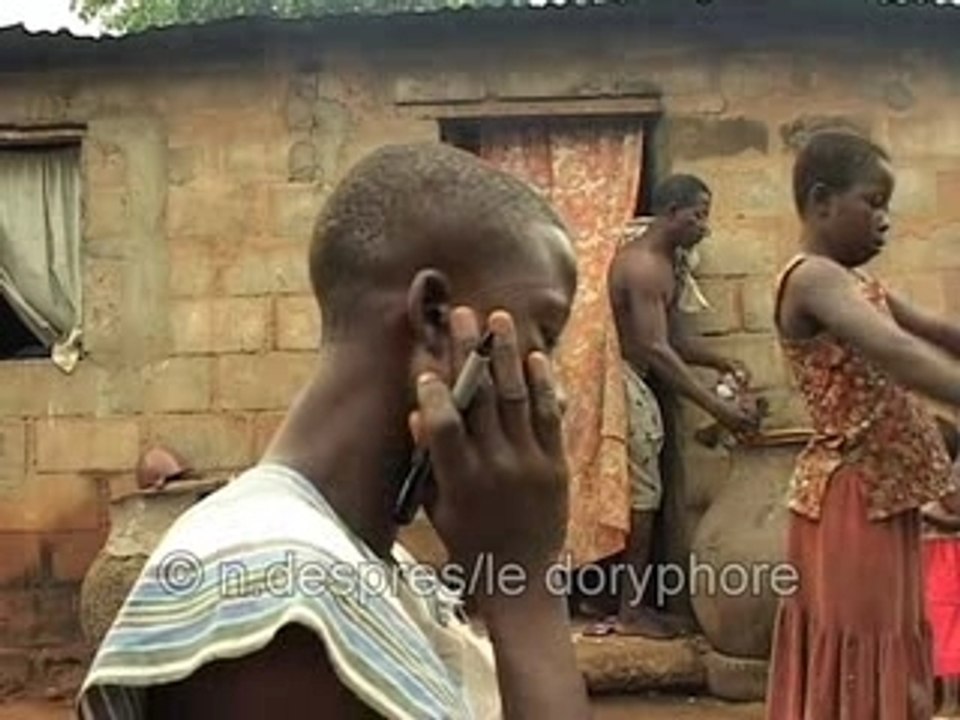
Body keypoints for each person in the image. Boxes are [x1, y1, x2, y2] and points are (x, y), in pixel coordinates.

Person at [75, 143, 592, 720]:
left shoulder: (367, 561)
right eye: (543, 337)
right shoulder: (274, 604)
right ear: (434, 316)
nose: (558, 391)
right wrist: (525, 584)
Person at [765, 130, 960, 719]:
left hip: (884, 496)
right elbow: (895, 350)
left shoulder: (862, 286)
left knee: (892, 645)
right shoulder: (812, 277)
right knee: (864, 649)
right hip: (852, 498)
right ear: (822, 201)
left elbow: (938, 333)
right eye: (872, 202)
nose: (884, 221)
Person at [584, 174, 762, 640]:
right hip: (622, 379)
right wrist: (716, 407)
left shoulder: (665, 263)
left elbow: (673, 338)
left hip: (636, 375)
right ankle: (629, 611)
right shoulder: (643, 266)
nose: (705, 226)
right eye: (697, 214)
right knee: (643, 500)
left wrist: (721, 359)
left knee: (646, 496)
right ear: (670, 213)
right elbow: (657, 348)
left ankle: (629, 604)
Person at [923, 418, 960, 719]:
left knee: (946, 632)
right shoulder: (922, 479)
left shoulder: (947, 482)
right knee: (931, 629)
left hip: (945, 556)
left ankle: (950, 703)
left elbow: (956, 519)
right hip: (926, 556)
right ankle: (934, 699)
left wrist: (922, 514)